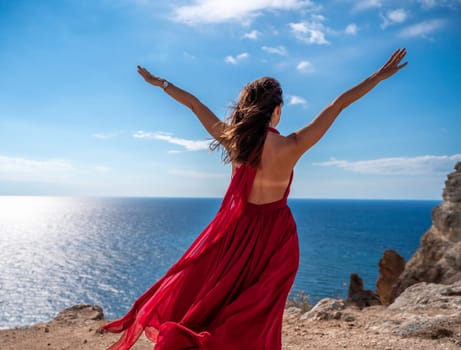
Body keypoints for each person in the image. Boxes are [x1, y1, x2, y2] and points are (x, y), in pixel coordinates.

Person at [100, 48, 408, 349]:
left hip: (238, 234)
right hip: (278, 237)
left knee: (223, 299)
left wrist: (161, 83)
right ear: (275, 110)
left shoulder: (235, 142)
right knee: (260, 309)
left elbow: (194, 104)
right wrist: (378, 77)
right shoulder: (293, 145)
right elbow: (339, 104)